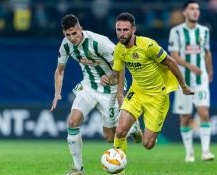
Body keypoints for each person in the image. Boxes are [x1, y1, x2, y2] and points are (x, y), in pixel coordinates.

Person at [50, 14, 142, 175]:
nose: (72, 38)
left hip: (111, 90)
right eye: (68, 35)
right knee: (72, 122)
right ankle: (78, 169)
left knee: (109, 137)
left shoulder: (99, 43)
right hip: (89, 87)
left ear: (80, 29)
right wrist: (57, 93)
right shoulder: (66, 45)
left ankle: (132, 127)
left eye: (74, 33)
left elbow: (120, 67)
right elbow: (59, 71)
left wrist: (119, 93)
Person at [101, 12, 193, 169]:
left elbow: (171, 62)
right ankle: (118, 170)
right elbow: (117, 73)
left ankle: (146, 134)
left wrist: (183, 86)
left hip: (158, 97)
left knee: (148, 144)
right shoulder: (119, 50)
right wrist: (109, 78)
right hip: (137, 92)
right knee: (121, 131)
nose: (121, 33)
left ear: (134, 29)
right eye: (118, 29)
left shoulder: (148, 46)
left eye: (125, 30)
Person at [168, 0, 215, 162]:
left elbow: (207, 52)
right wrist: (190, 66)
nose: (196, 11)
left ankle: (206, 151)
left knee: (204, 113)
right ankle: (189, 153)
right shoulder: (176, 32)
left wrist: (210, 71)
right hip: (183, 81)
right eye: (192, 9)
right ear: (185, 12)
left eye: (197, 9)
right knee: (185, 118)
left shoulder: (204, 31)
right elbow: (173, 56)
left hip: (200, 79)